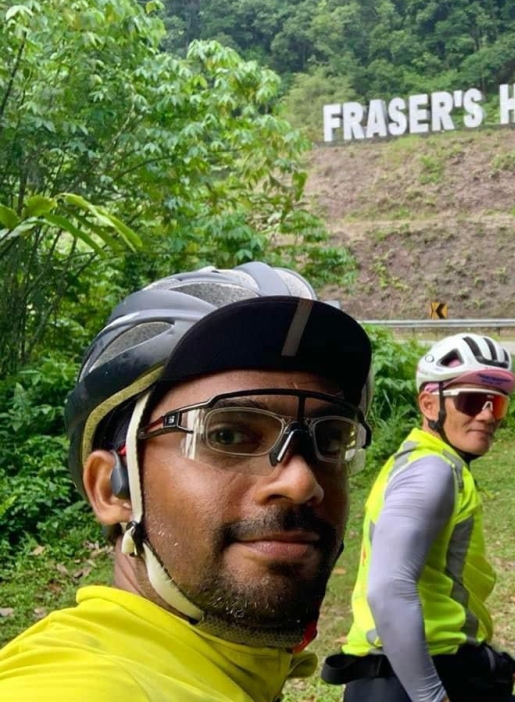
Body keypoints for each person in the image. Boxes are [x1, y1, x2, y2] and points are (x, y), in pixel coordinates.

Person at [0, 262, 374, 701]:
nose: (301, 481)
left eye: (329, 437)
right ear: (111, 488)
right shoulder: (73, 686)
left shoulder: (229, 679)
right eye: (227, 434)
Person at [323, 332, 515, 702]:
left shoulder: (426, 460)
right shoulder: (430, 471)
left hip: (425, 670)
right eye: (470, 401)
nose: (486, 415)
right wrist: (430, 696)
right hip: (409, 681)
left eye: (496, 405)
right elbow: (389, 589)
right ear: (430, 404)